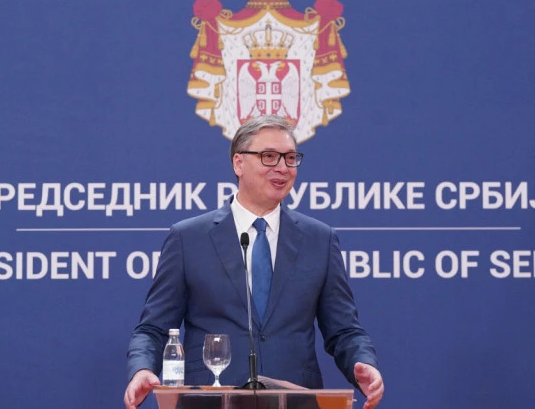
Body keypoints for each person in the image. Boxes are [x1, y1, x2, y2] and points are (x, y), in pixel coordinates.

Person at [124, 115, 384, 409]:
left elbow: (344, 330)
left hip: (296, 402)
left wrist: (364, 363)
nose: (282, 168)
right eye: (269, 156)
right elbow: (153, 328)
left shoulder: (319, 239)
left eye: (290, 158)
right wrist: (142, 369)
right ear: (239, 163)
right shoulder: (188, 238)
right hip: (210, 401)